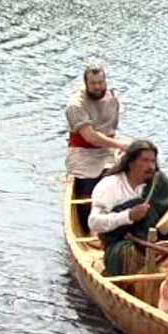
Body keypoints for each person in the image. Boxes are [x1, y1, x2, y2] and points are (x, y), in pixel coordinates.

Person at [89, 140, 168, 276]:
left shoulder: (159, 183)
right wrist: (128, 216)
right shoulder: (110, 186)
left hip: (160, 241)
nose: (151, 166)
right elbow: (94, 223)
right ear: (130, 163)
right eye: (145, 161)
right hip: (123, 242)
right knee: (129, 255)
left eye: (153, 162)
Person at [65, 63, 129, 233]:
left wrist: (119, 147)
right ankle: (88, 229)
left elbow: (112, 128)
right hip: (84, 152)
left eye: (100, 82)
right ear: (85, 83)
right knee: (88, 188)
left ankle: (117, 225)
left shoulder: (113, 97)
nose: (98, 87)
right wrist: (120, 145)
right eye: (93, 83)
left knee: (118, 181)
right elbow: (90, 136)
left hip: (107, 149)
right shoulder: (75, 105)